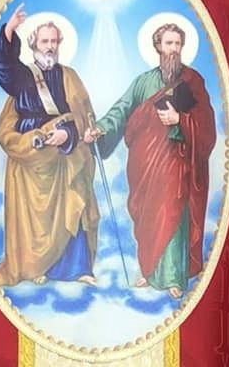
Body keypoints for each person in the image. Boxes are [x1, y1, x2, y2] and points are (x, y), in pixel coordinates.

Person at [87, 21, 214, 296]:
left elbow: (206, 122)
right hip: (145, 165)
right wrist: (102, 128)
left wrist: (180, 119)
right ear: (158, 46)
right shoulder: (143, 82)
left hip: (177, 161)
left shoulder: (192, 81)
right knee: (148, 218)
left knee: (172, 211)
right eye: (169, 43)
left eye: (178, 44)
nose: (174, 49)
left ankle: (173, 278)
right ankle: (149, 272)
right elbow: (122, 109)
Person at [0, 8, 100, 286]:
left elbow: (84, 115)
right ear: (34, 44)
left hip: (66, 154)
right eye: (44, 41)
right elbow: (4, 70)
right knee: (35, 219)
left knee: (74, 202)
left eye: (54, 41)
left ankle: (78, 268)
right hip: (33, 156)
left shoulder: (70, 76)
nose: (50, 47)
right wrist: (8, 31)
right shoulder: (22, 76)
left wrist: (68, 134)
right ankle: (34, 267)